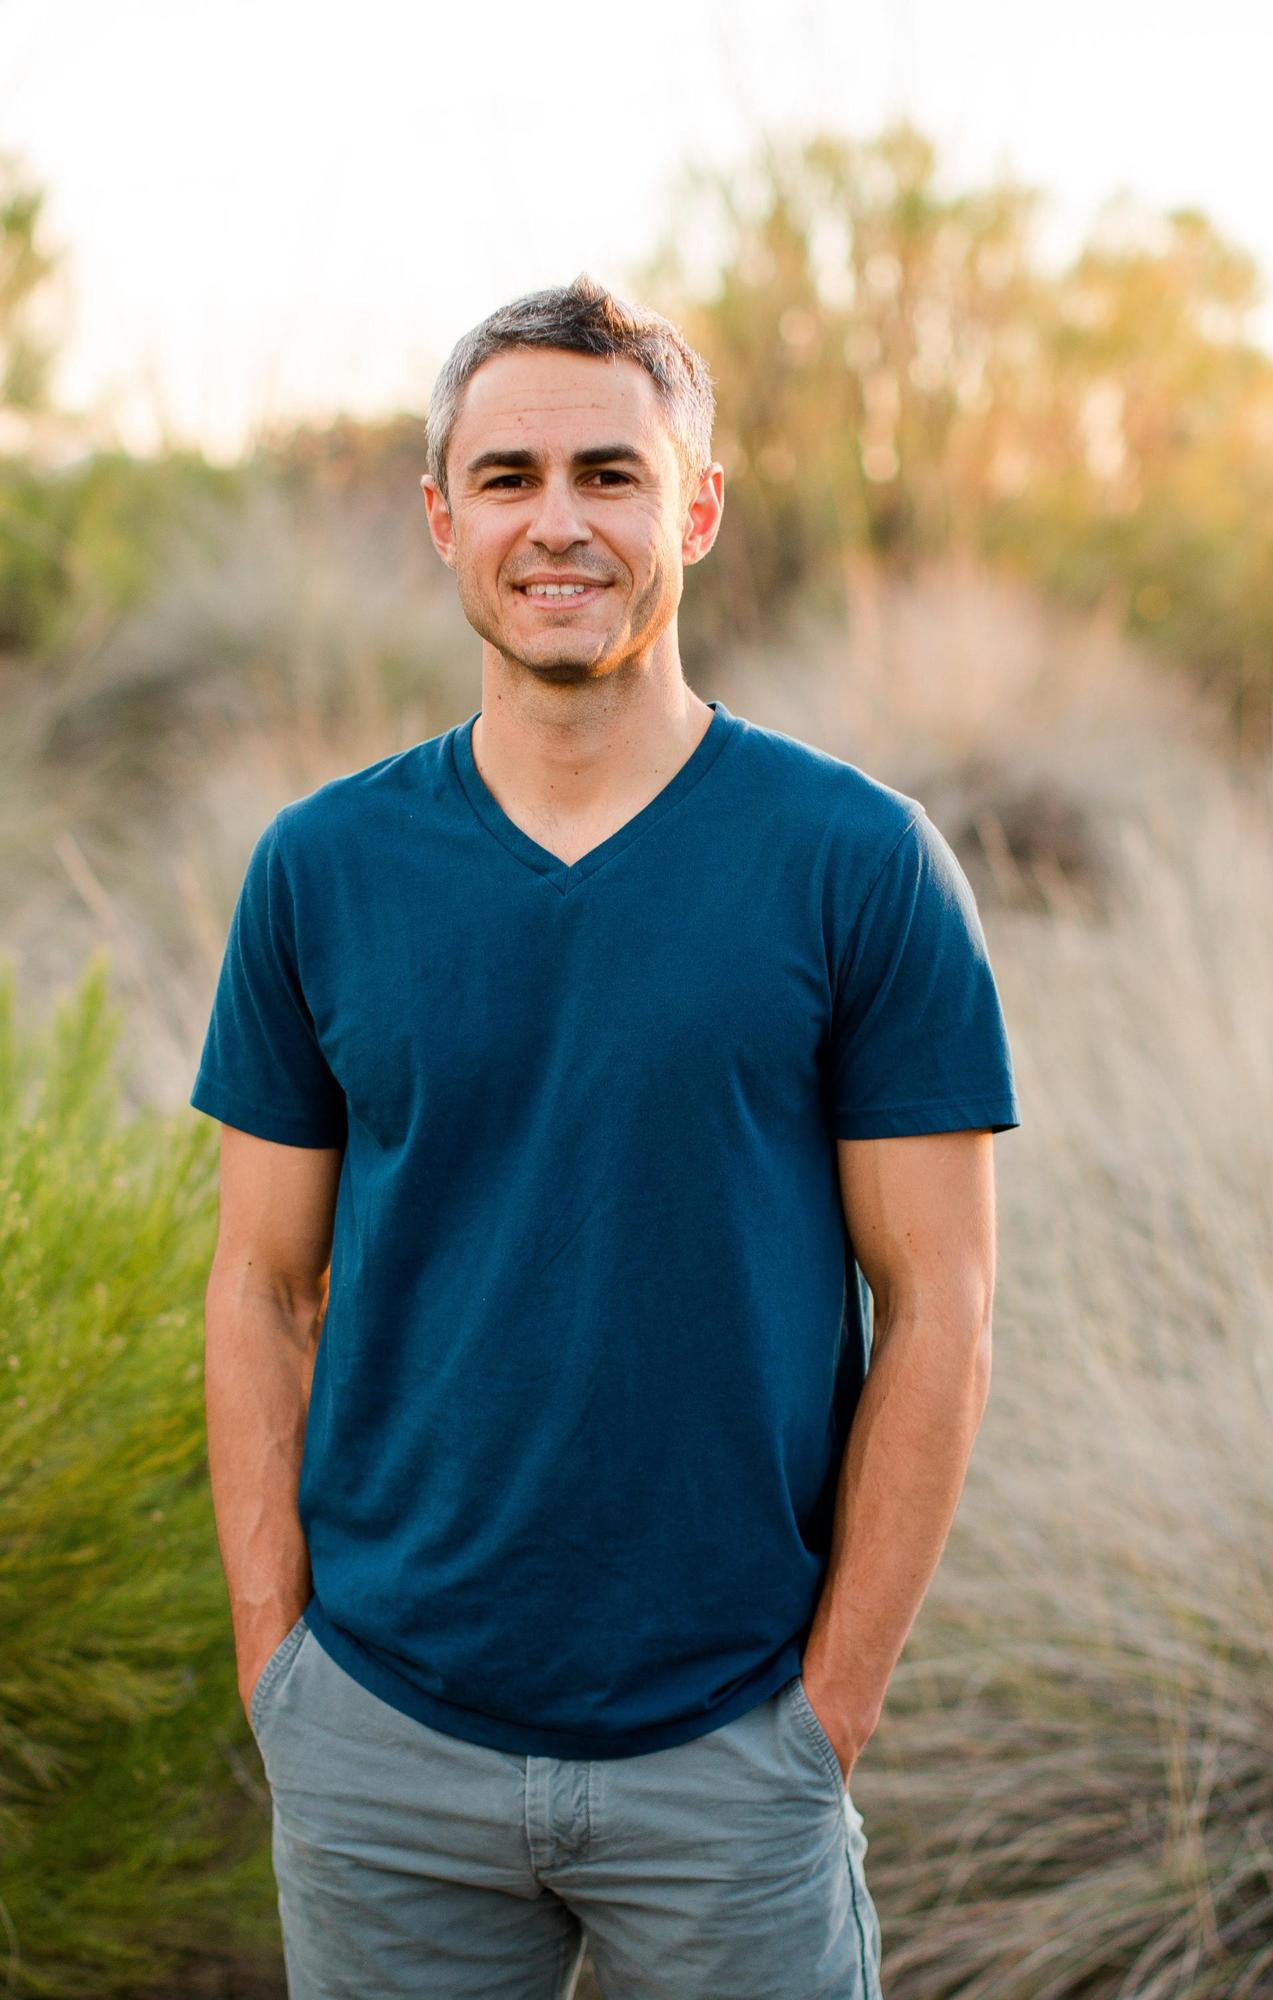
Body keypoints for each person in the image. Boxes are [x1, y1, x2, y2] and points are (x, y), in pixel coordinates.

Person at [190, 272, 1022, 2000]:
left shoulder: (856, 863)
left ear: (695, 507)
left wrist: (825, 1716)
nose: (556, 524)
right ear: (441, 518)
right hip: (384, 1750)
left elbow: (937, 1304)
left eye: (609, 475)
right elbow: (263, 1288)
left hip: (731, 1760)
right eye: (506, 479)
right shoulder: (320, 872)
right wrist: (283, 1673)